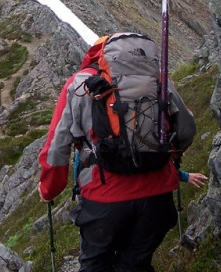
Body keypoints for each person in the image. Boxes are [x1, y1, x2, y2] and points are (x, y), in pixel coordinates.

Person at [38, 32, 197, 272]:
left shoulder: (80, 83)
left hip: (105, 200)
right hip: (157, 197)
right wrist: (171, 157)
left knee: (95, 265)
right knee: (135, 264)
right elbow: (186, 129)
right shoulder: (157, 79)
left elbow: (56, 147)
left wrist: (49, 190)